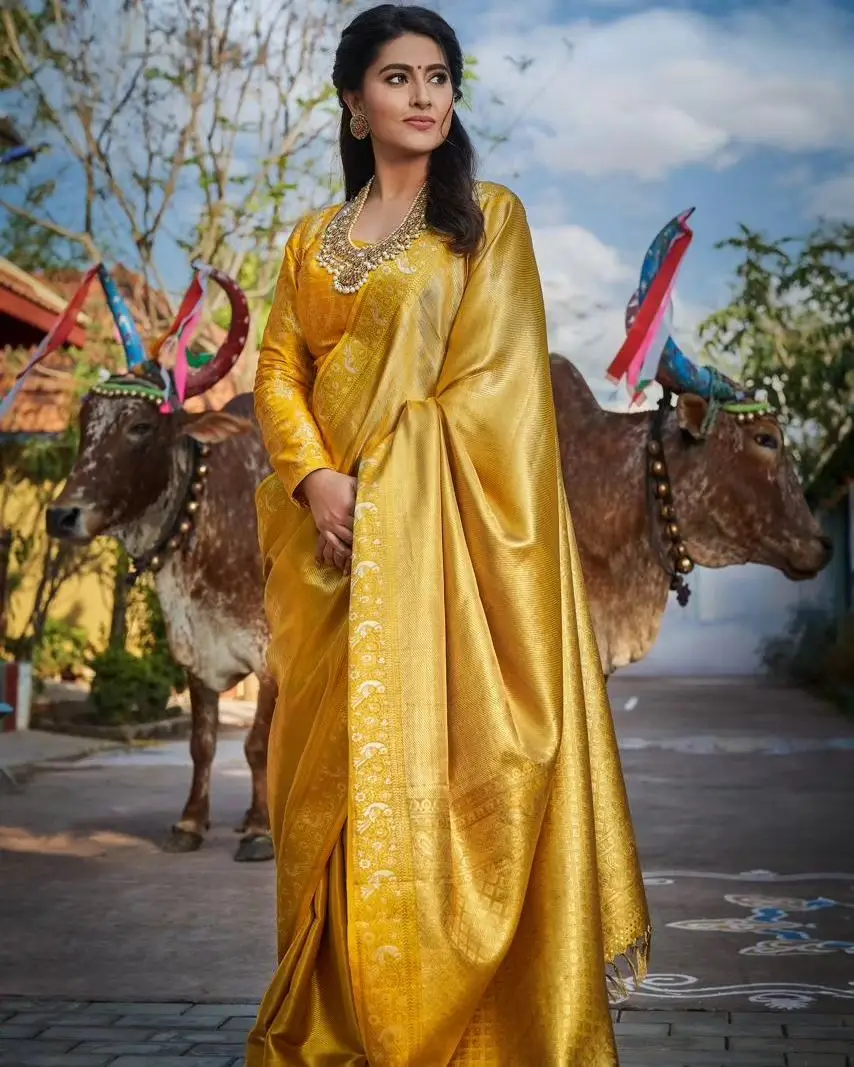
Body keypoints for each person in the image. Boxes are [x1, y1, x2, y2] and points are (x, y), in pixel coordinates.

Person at [246, 4, 649, 1064]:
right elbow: (278, 369)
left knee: (454, 767)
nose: (423, 95)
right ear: (351, 101)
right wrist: (316, 480)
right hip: (323, 560)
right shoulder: (308, 238)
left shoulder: (486, 222)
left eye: (438, 76)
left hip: (439, 557)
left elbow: (498, 391)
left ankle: (472, 1030)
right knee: (319, 789)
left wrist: (389, 488)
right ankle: (334, 1021)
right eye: (397, 77)